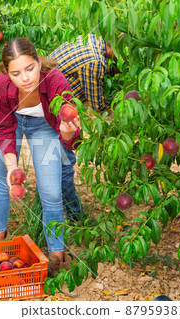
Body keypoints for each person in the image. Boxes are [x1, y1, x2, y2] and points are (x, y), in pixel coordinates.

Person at [0, 37, 82, 274]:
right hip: (11, 121)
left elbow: (69, 134)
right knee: (3, 181)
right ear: (6, 72)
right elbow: (4, 129)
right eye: (16, 73)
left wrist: (67, 133)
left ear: (38, 61)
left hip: (44, 125)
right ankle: (0, 246)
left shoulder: (55, 81)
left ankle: (57, 259)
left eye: (30, 68)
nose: (25, 78)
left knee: (51, 193)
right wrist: (12, 165)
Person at [46, 34, 119, 221]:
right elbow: (96, 104)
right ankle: (75, 215)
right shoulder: (95, 61)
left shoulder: (90, 38)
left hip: (50, 103)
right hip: (56, 113)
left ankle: (59, 208)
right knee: (65, 164)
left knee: (55, 163)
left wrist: (113, 71)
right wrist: (119, 104)